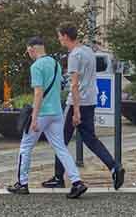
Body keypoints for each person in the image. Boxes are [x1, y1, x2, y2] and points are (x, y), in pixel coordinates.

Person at [41, 24, 125, 191]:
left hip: (76, 103)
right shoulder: (87, 51)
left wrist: (76, 111)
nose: (59, 39)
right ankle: (114, 166)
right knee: (90, 139)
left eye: (59, 36)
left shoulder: (75, 56)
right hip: (91, 100)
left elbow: (74, 85)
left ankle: (59, 177)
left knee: (60, 139)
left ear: (65, 36)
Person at [8, 37, 87, 198]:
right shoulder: (55, 64)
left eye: (28, 51)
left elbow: (38, 93)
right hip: (57, 112)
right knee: (60, 148)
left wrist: (34, 117)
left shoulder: (36, 66)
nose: (28, 54)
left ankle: (22, 183)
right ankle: (77, 181)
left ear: (31, 49)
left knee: (26, 147)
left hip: (42, 113)